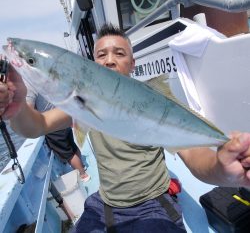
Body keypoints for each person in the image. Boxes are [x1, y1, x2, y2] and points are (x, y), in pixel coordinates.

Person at [0, 24, 250, 232]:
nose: (109, 60)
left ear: (132, 63)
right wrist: (18, 104)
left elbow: (197, 156)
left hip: (153, 203)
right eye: (101, 55)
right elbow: (37, 126)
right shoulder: (79, 103)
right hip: (104, 203)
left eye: (119, 53)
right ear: (93, 64)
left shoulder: (156, 102)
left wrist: (222, 168)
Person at [25, 81, 90, 182]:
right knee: (72, 145)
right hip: (63, 118)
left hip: (52, 126)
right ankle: (82, 165)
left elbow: (28, 113)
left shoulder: (30, 85)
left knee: (67, 154)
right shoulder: (46, 78)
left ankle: (83, 174)